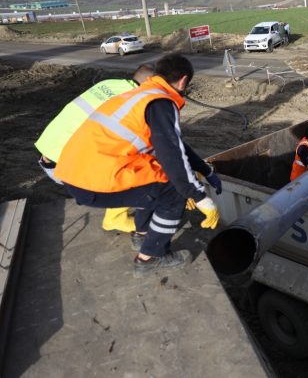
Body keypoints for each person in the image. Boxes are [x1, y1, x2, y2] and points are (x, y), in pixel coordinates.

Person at [54, 54, 222, 278]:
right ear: (182, 81)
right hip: (94, 180)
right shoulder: (162, 102)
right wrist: (199, 195)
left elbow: (175, 144)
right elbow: (171, 155)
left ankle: (142, 234)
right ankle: (150, 257)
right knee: (173, 191)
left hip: (75, 174)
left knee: (153, 180)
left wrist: (205, 169)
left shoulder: (141, 94)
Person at [35, 64, 155, 233]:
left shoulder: (109, 84)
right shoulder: (133, 100)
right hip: (67, 164)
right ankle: (116, 220)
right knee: (136, 170)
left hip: (48, 151)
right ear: (150, 82)